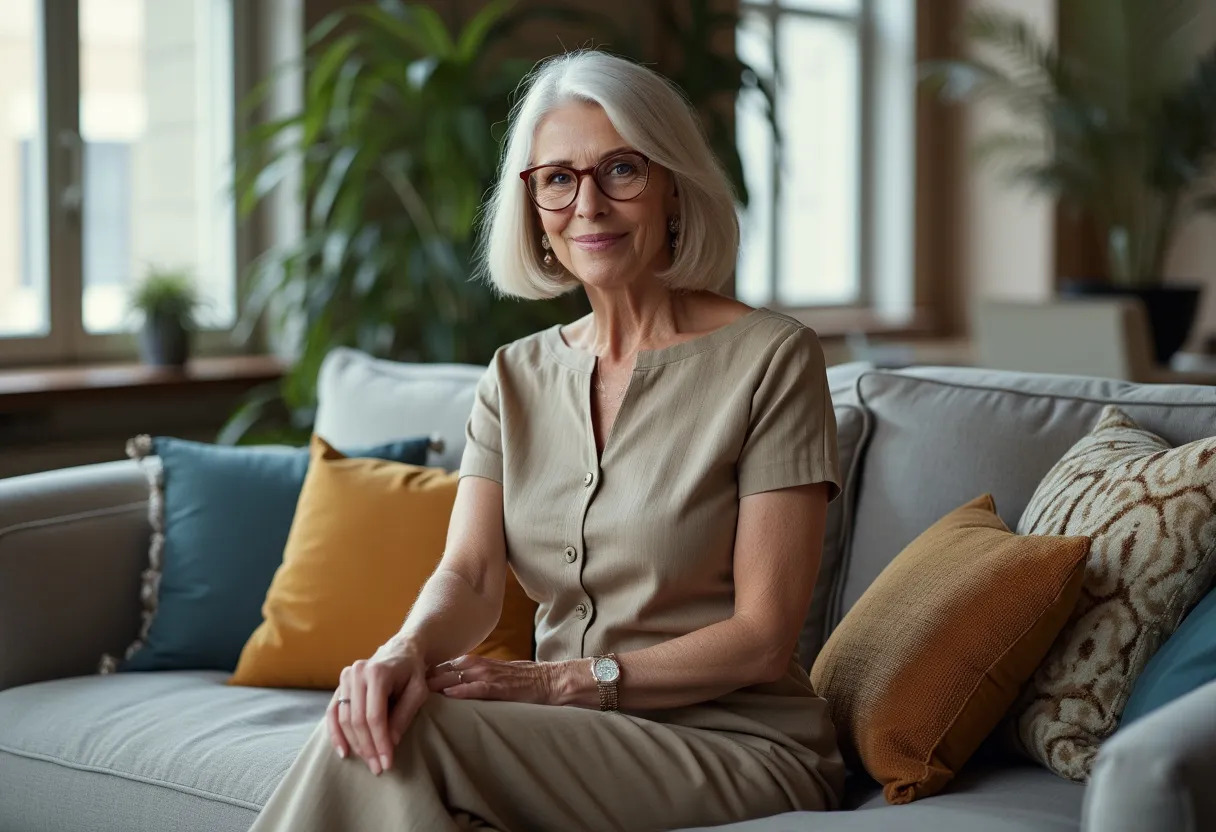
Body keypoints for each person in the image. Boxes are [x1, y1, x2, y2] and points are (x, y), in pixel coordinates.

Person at [249, 48, 845, 832]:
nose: (587, 204)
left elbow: (763, 640)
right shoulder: (514, 375)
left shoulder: (773, 359)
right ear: (532, 205)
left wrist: (556, 682)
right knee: (387, 717)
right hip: (571, 739)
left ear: (673, 187)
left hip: (735, 742)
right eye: (558, 178)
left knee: (411, 734)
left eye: (621, 170)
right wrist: (401, 651)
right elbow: (468, 573)